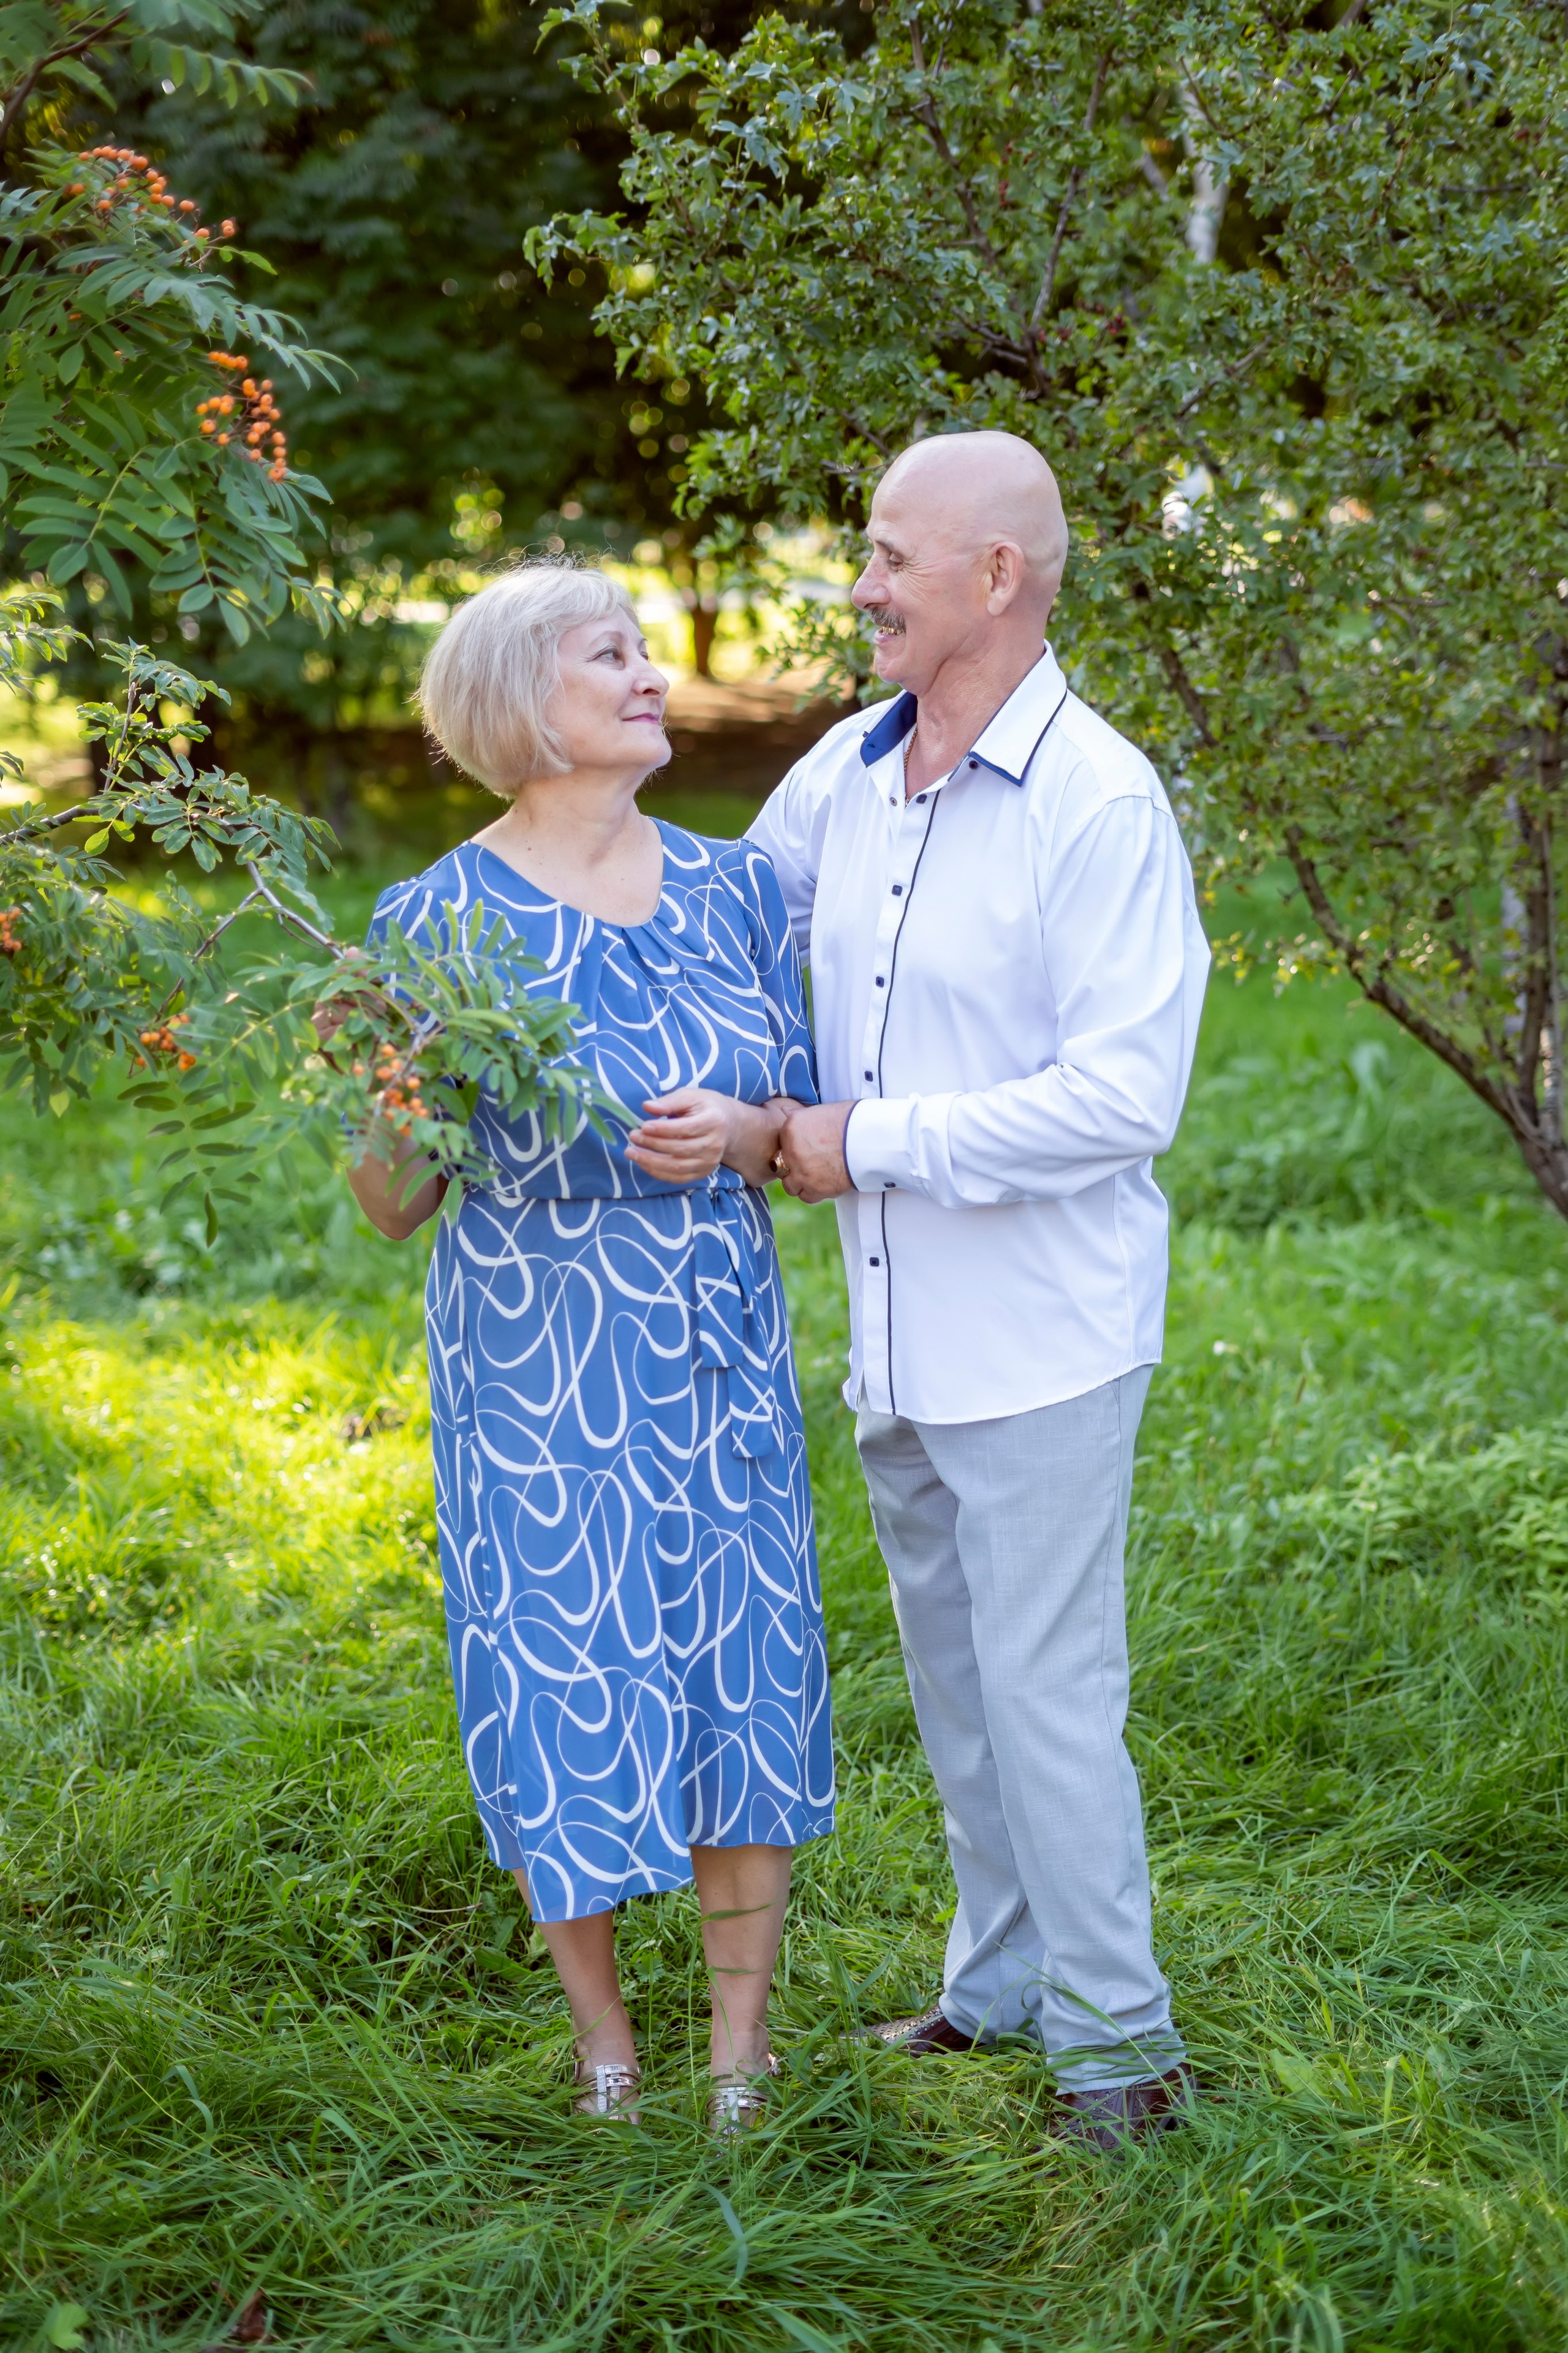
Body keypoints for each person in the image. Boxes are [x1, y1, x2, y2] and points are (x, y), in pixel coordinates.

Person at [747, 431, 1211, 2152]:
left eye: (887, 555)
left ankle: (1122, 2052)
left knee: (1047, 1696)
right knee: (956, 1691)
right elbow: (722, 930)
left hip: (1039, 1344)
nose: (859, 585)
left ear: (993, 579)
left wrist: (859, 1138)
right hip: (900, 1339)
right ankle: (1000, 1983)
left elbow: (1120, 1100)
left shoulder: (1097, 798)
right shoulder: (844, 778)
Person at [345, 562, 834, 2130]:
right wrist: (387, 1071)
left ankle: (740, 2062)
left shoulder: (741, 892)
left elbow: (800, 1139)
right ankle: (606, 2047)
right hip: (537, 1368)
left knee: (734, 1679)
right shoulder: (429, 923)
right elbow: (388, 1205)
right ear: (516, 704)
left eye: (643, 652)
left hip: (713, 1348)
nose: (649, 676)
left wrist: (752, 1123)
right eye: (607, 656)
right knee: (563, 1677)